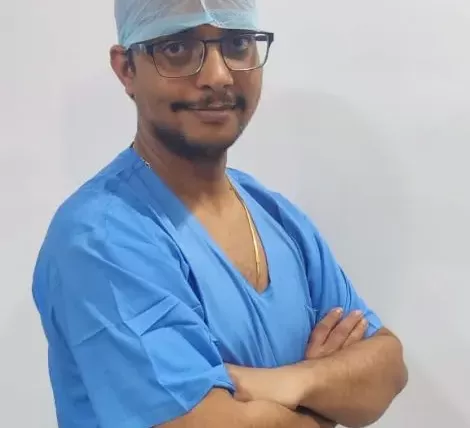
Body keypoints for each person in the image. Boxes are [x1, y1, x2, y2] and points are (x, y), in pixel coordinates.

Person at [32, 1, 408, 427]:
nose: (218, 75)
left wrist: (288, 383)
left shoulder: (277, 216)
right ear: (127, 69)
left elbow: (388, 365)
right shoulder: (101, 237)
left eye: (237, 43)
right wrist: (326, 403)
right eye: (177, 48)